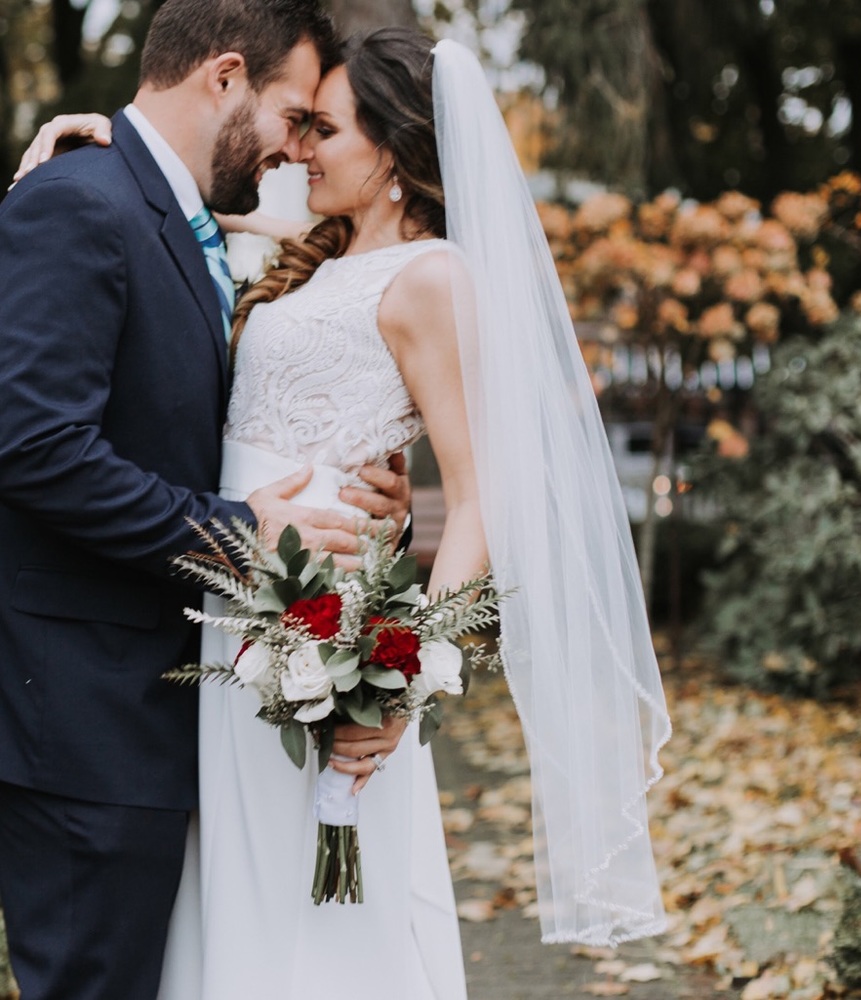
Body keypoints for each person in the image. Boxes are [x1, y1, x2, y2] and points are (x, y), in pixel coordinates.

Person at [22, 25, 673, 1000]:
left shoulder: (435, 278)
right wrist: (95, 138)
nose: (299, 150)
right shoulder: (314, 254)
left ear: (395, 147)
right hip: (228, 624)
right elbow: (168, 215)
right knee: (230, 908)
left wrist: (403, 675)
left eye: (324, 129)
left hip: (321, 641)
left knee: (323, 933)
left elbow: (485, 489)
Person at [0, 4, 411, 1000]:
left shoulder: (177, 215)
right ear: (226, 78)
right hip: (80, 723)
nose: (295, 147)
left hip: (160, 715)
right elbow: (35, 445)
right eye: (291, 114)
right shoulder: (81, 201)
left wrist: (351, 484)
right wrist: (243, 537)